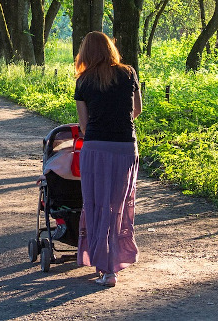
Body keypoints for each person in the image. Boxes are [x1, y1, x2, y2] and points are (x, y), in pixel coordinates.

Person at [73, 31, 142, 287]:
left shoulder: (83, 81)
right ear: (110, 48)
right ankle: (116, 261)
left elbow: (83, 124)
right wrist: (118, 124)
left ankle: (105, 268)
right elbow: (137, 109)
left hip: (96, 148)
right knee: (119, 206)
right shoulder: (128, 73)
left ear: (85, 53)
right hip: (125, 147)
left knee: (97, 205)